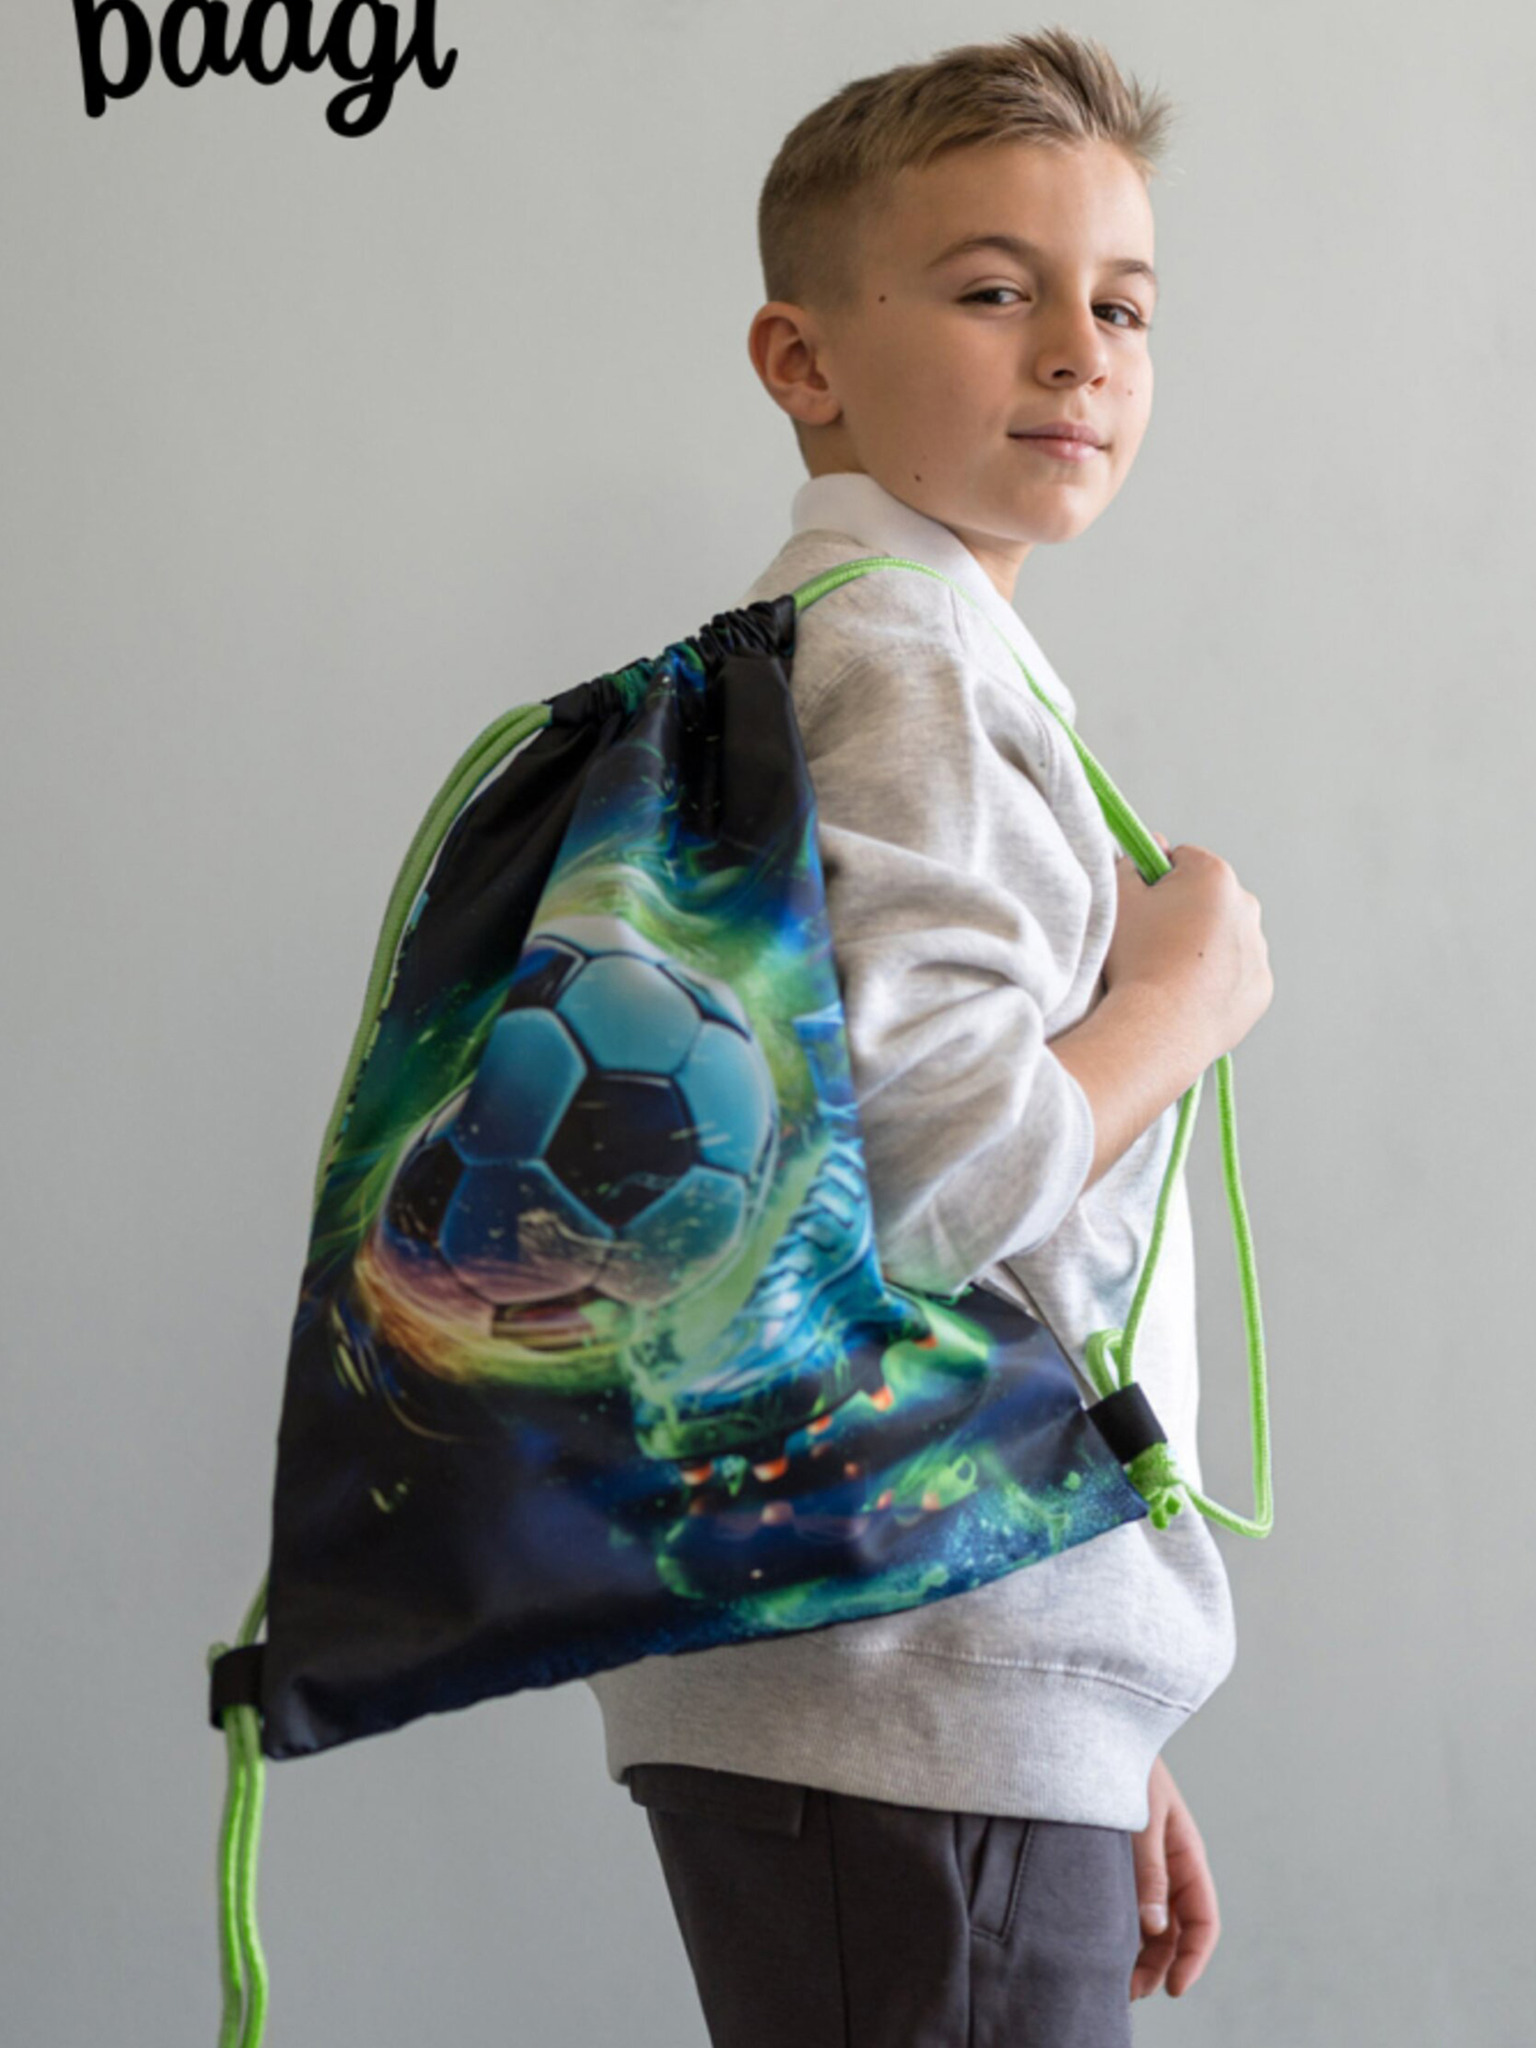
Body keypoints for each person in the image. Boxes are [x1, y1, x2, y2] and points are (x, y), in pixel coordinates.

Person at [583, 26, 1273, 2044]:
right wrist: (1186, 999)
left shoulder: (856, 647)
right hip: (908, 1688)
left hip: (917, 1673)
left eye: (1122, 305)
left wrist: (1088, 1716)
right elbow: (932, 1173)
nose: (1078, 352)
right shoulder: (904, 663)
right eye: (993, 290)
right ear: (802, 360)